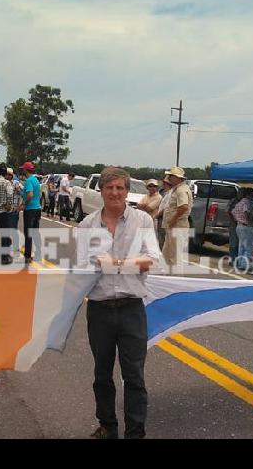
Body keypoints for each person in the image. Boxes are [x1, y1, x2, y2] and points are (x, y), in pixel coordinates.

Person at [76, 167, 161, 439]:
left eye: (120, 188)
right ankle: (107, 426)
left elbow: (152, 261)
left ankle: (135, 432)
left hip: (131, 309)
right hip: (99, 310)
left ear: (127, 191)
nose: (115, 193)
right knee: (102, 374)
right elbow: (81, 268)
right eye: (109, 188)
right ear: (101, 191)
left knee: (134, 376)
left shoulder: (143, 222)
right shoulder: (86, 226)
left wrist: (116, 265)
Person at [161, 166, 193, 272]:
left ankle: (175, 279)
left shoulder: (181, 190)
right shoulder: (178, 189)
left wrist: (172, 221)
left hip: (177, 225)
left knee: (175, 256)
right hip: (174, 225)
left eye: (171, 176)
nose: (169, 178)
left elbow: (183, 207)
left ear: (177, 177)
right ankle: (166, 276)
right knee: (168, 253)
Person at [21, 161, 42, 265]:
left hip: (30, 210)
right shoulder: (36, 180)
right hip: (37, 208)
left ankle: (28, 256)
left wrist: (24, 204)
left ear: (25, 170)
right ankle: (38, 253)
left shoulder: (29, 180)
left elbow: (29, 195)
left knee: (28, 233)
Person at [231, 187, 253, 271]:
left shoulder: (239, 203)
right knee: (248, 247)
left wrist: (238, 219)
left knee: (241, 246)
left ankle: (240, 263)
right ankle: (244, 265)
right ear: (248, 194)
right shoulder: (247, 202)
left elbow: (233, 212)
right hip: (246, 226)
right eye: (252, 194)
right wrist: (250, 220)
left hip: (239, 226)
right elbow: (246, 212)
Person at [5, 167, 24, 255]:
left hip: (13, 211)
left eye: (10, 175)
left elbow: (24, 193)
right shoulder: (3, 183)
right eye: (6, 174)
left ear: (12, 175)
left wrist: (20, 206)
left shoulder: (16, 183)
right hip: (4, 211)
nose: (8, 176)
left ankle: (16, 249)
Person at [153, 178, 172, 249]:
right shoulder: (165, 193)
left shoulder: (170, 194)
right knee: (160, 239)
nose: (163, 184)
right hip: (161, 218)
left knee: (162, 240)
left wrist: (156, 216)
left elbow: (165, 208)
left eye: (164, 183)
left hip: (163, 218)